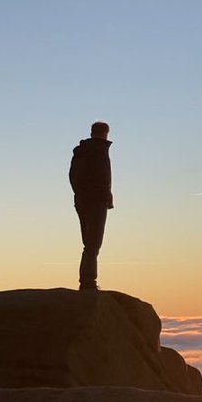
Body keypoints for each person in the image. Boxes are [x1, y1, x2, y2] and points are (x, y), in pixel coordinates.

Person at [69, 120, 114, 291]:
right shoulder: (99, 150)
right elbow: (103, 177)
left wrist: (79, 195)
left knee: (89, 242)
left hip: (82, 201)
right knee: (93, 243)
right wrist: (105, 195)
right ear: (105, 133)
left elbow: (72, 176)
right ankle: (88, 282)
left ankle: (86, 281)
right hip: (95, 201)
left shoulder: (81, 152)